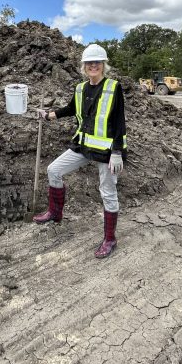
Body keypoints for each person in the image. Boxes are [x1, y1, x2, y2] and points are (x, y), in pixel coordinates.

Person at [33, 43, 127, 258]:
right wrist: (48, 115)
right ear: (83, 66)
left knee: (108, 192)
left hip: (107, 151)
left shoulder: (113, 87)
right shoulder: (80, 88)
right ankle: (55, 213)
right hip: (83, 146)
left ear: (103, 65)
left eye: (97, 62)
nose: (93, 65)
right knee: (53, 170)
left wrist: (117, 152)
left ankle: (110, 239)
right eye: (89, 63)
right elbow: (71, 109)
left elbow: (119, 121)